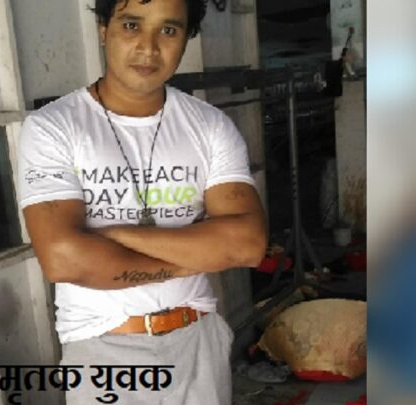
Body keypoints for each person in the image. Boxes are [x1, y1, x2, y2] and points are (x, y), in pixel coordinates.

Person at [16, 0, 267, 404]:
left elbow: (247, 244)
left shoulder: (210, 127)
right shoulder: (54, 128)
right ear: (103, 29)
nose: (149, 48)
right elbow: (64, 260)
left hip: (197, 342)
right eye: (132, 25)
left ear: (186, 38)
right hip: (103, 348)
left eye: (168, 30)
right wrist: (194, 258)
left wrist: (116, 235)